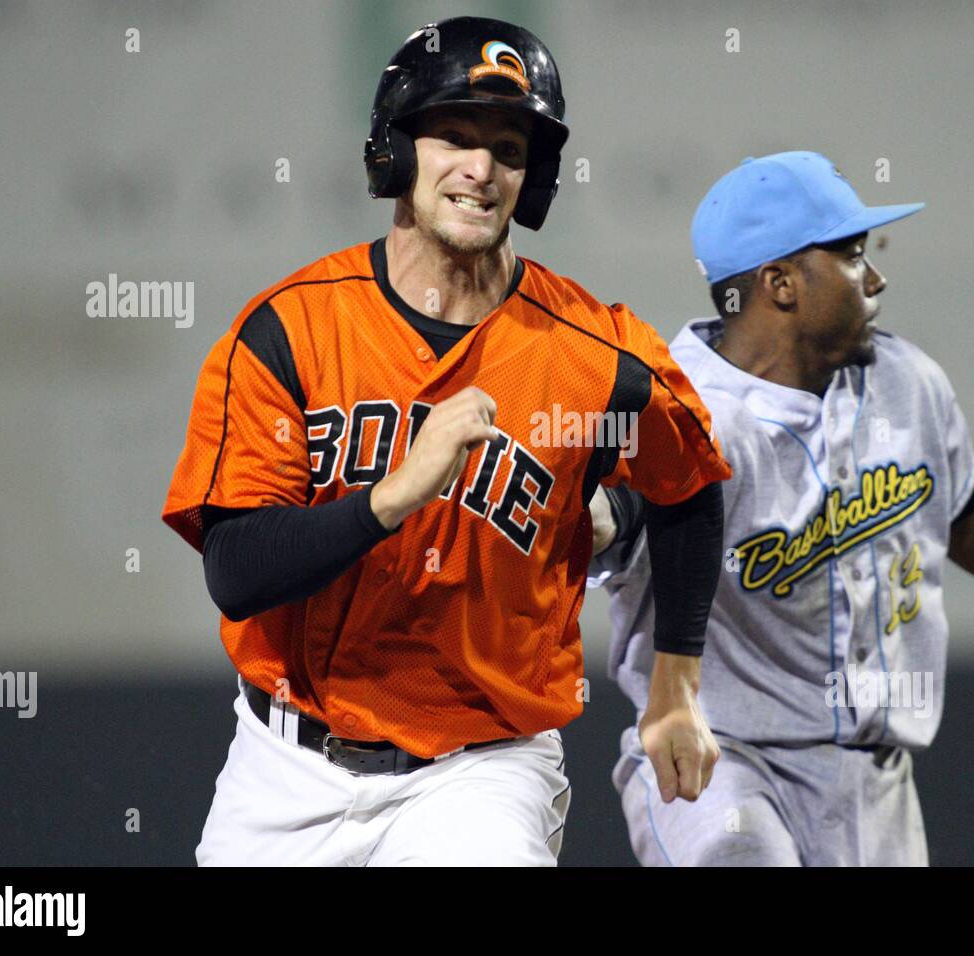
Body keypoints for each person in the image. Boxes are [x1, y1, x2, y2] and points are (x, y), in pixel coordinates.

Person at [161, 16, 730, 866]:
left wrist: (677, 684)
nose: (481, 168)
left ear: (531, 180)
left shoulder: (596, 355)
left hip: (481, 769)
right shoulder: (291, 330)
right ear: (396, 152)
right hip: (287, 762)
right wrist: (394, 496)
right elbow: (237, 572)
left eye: (507, 147)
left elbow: (691, 487)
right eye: (453, 136)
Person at [588, 150, 974, 866]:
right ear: (781, 283)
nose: (876, 278)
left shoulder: (905, 381)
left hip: (877, 782)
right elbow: (616, 518)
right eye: (853, 256)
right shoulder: (680, 410)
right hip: (719, 765)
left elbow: (967, 505)